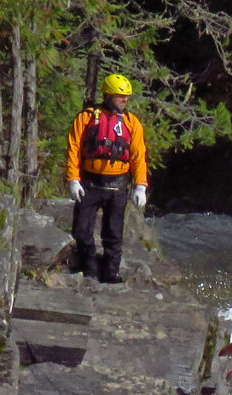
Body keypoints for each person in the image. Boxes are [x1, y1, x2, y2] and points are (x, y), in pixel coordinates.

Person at [65, 73, 148, 283]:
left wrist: (140, 186)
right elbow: (73, 148)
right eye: (121, 96)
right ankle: (90, 268)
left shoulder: (132, 123)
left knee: (113, 233)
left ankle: (111, 272)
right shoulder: (86, 117)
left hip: (118, 185)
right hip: (90, 183)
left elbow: (138, 155)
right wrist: (73, 179)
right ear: (108, 95)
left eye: (127, 97)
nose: (125, 100)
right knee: (82, 229)